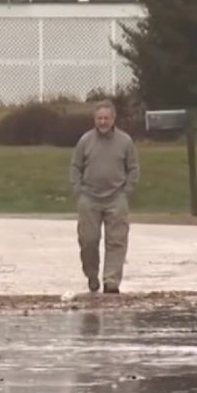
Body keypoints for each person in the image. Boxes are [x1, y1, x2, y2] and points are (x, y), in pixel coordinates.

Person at [70, 99, 140, 294]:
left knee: (117, 241)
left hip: (116, 198)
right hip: (89, 198)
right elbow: (76, 167)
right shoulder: (85, 141)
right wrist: (79, 189)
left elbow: (133, 168)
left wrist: (127, 190)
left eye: (106, 118)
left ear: (113, 119)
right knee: (88, 240)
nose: (103, 122)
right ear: (95, 119)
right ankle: (92, 275)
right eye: (99, 118)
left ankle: (111, 281)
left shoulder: (125, 141)